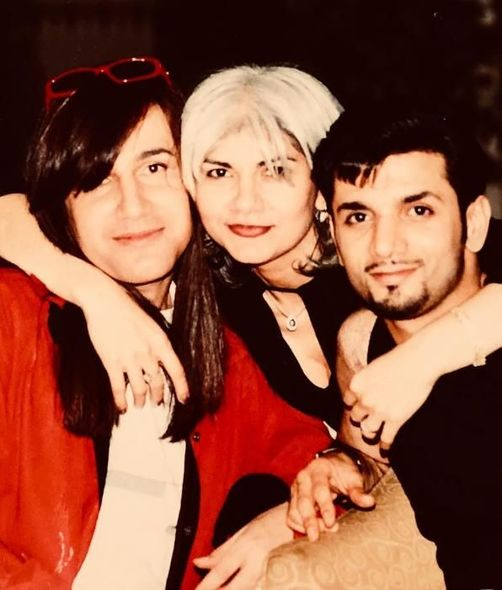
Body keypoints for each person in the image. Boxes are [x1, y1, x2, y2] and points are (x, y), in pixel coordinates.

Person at [2, 64, 502, 588]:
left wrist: (430, 354)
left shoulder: (387, 265)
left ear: (322, 185)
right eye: (219, 172)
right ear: (195, 184)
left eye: (275, 169)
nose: (245, 201)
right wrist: (97, 297)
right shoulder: (224, 310)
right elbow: (12, 213)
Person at [0, 58, 331, 590]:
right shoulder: (14, 319)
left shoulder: (229, 355)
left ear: (195, 186)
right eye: (96, 179)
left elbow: (327, 465)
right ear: (63, 208)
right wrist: (96, 296)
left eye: (155, 168)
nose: (131, 205)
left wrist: (282, 522)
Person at [288, 107, 502, 589]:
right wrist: (341, 464)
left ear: (473, 223)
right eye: (358, 216)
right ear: (334, 235)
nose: (384, 246)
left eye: (418, 210)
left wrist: (427, 358)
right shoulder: (359, 342)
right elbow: (368, 449)